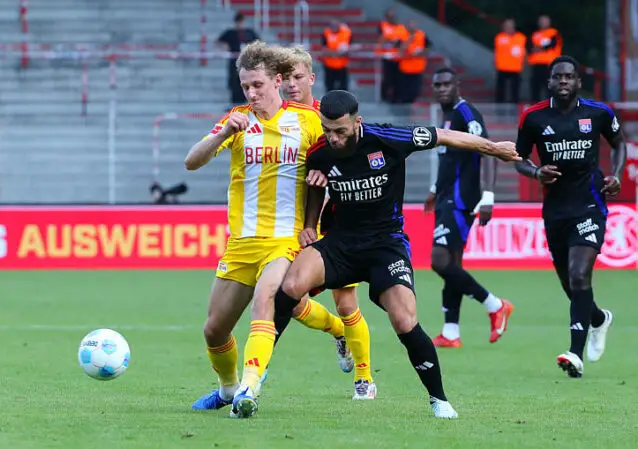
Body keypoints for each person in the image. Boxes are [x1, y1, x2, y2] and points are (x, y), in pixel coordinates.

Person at [252, 90, 521, 420]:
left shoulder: (389, 138)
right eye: (327, 130)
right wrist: (309, 225)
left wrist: (494, 149)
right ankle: (255, 375)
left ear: (357, 122)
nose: (333, 138)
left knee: (404, 319)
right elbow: (315, 187)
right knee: (289, 286)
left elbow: (445, 136)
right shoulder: (320, 152)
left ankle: (439, 399)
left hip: (385, 243)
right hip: (340, 243)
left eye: (341, 131)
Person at [185, 42, 348, 416]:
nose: (252, 93)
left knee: (266, 299)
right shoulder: (238, 120)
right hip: (241, 243)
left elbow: (341, 152)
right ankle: (228, 390)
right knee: (214, 331)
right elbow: (192, 162)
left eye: (257, 84)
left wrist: (325, 182)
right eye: (245, 87)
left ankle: (248, 389)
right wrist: (223, 132)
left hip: (285, 240)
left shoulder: (307, 121)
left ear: (277, 81)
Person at [514, 55, 625, 378]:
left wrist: (616, 174)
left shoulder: (598, 113)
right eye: (557, 77)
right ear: (549, 82)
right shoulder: (533, 117)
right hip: (555, 211)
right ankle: (598, 319)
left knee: (579, 275)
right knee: (570, 283)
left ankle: (574, 354)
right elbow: (518, 158)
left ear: (579, 82)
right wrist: (535, 171)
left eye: (569, 77)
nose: (563, 81)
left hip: (590, 203)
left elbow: (619, 144)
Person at [280, 47, 376, 399]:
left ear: (311, 78)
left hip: (334, 223)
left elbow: (353, 161)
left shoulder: (332, 116)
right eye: (285, 78)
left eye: (297, 77)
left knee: (346, 301)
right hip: (288, 225)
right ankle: (337, 331)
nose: (291, 84)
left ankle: (364, 379)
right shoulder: (275, 118)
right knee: (287, 301)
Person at [425, 68, 514, 348]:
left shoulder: (466, 113)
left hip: (461, 199)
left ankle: (495, 304)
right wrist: (433, 190)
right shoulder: (447, 116)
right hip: (446, 197)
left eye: (446, 84)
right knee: (452, 264)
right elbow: (449, 159)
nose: (441, 89)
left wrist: (488, 195)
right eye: (437, 84)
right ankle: (451, 332)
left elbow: (488, 149)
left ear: (457, 86)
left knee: (439, 261)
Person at [217, 12, 260, 106]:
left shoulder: (249, 33)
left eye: (241, 22)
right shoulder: (230, 33)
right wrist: (226, 47)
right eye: (238, 22)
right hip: (234, 64)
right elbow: (219, 42)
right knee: (234, 84)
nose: (240, 24)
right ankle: (235, 104)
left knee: (248, 82)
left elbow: (259, 43)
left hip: (247, 64)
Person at [528, 15, 562, 102]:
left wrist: (540, 48)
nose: (543, 23)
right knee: (535, 87)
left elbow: (553, 44)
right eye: (541, 21)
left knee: (550, 87)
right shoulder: (535, 34)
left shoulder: (553, 33)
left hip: (549, 64)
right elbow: (530, 47)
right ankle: (535, 107)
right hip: (536, 64)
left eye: (545, 21)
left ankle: (551, 107)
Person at [494, 18, 526, 104]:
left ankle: (515, 106)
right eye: (507, 25)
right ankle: (499, 106)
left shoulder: (521, 37)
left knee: (515, 90)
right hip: (502, 67)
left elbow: (522, 51)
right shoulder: (499, 37)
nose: (508, 27)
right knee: (501, 90)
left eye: (510, 25)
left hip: (515, 67)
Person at [321, 20, 352, 92]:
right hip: (329, 65)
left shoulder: (346, 33)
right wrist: (337, 53)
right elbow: (324, 51)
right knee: (329, 88)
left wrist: (333, 53)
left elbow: (348, 50)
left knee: (343, 89)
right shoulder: (326, 33)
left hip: (342, 65)